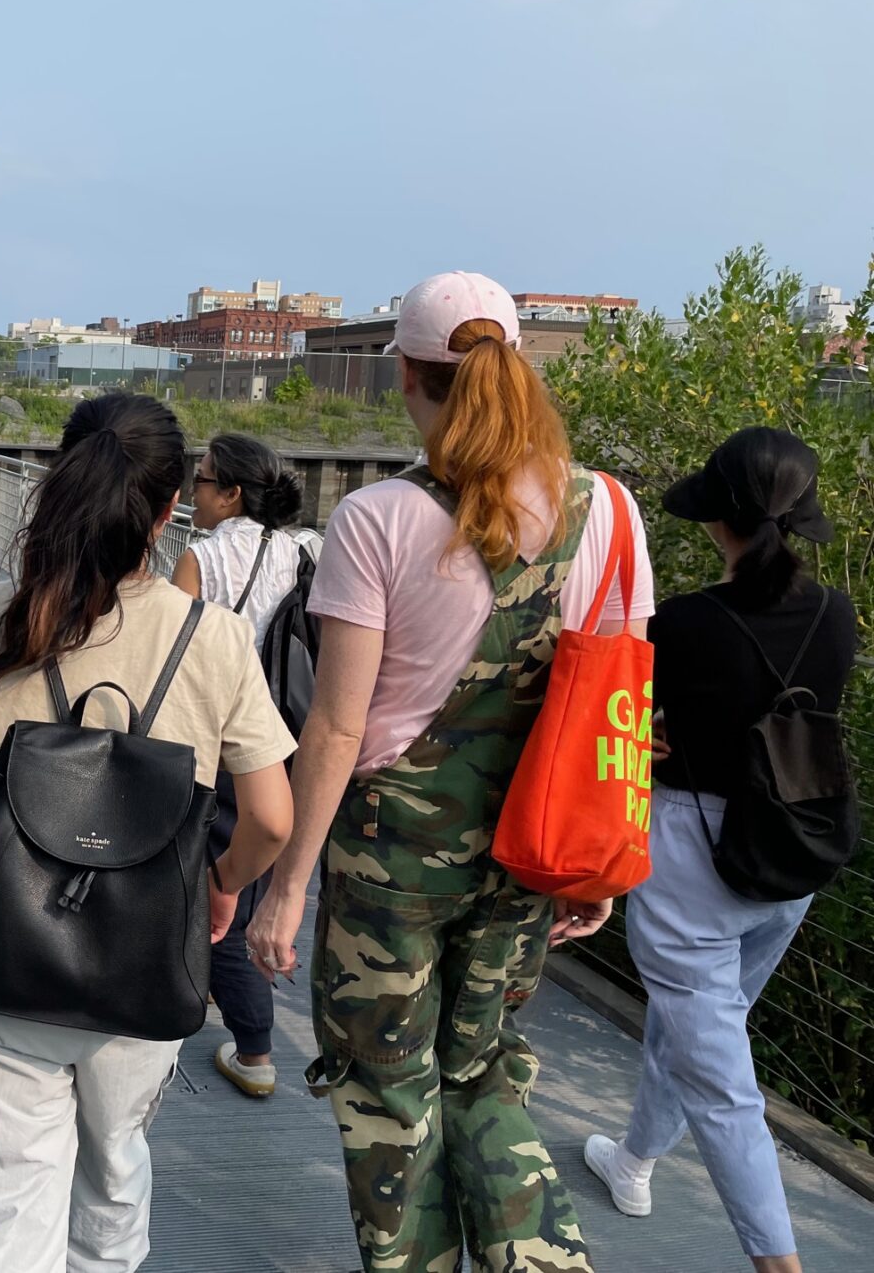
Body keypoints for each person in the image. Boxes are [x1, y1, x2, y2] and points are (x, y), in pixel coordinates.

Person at [244, 273, 655, 1272]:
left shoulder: (379, 517)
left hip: (391, 859)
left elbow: (337, 726)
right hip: (526, 844)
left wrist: (285, 887)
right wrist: (599, 860)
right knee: (483, 1076)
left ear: (407, 378)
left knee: (387, 1092)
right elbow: (623, 699)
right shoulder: (605, 508)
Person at [0, 393, 298, 1273]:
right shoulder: (216, 638)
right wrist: (220, 885)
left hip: (5, 951)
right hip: (147, 957)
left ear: (58, 481)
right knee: (114, 1173)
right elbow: (272, 817)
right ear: (167, 512)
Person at [585, 428, 857, 1273]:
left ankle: (778, 1264)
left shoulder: (688, 623)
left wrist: (656, 739)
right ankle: (633, 1163)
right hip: (794, 855)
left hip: (696, 861)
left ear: (720, 523)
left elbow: (620, 722)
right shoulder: (837, 616)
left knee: (726, 1088)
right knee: (703, 1030)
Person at [172, 433, 318, 1099]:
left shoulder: (202, 558)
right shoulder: (308, 552)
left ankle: (255, 1049)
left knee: (213, 890)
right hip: (284, 740)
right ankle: (206, 993)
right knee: (247, 880)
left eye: (200, 481)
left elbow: (173, 661)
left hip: (216, 744)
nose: (190, 493)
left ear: (230, 492)